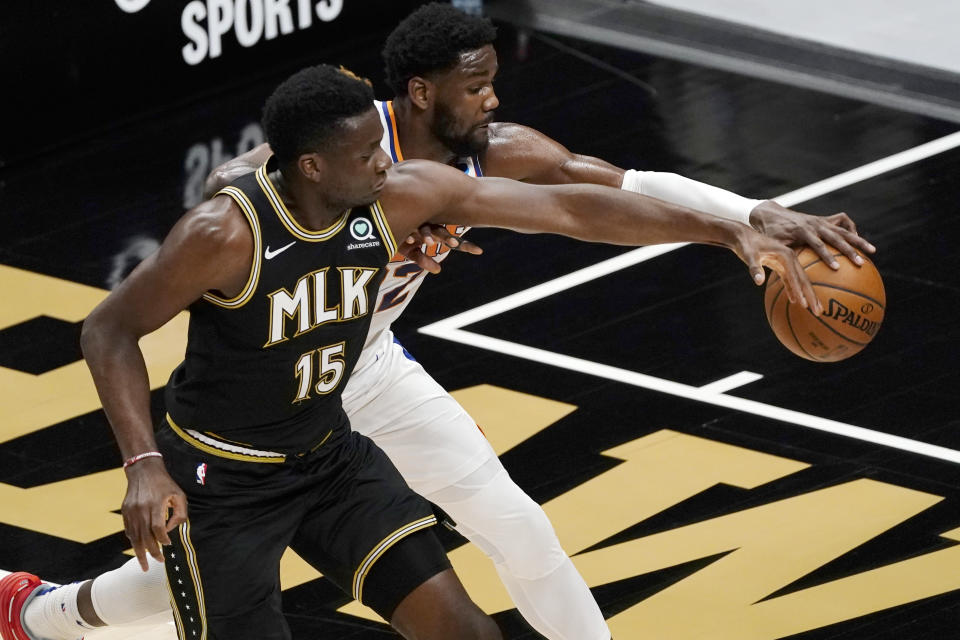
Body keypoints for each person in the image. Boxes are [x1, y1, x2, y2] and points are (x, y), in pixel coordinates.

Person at [0, 6, 872, 640]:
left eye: (494, 80)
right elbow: (223, 219)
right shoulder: (308, 166)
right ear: (418, 93)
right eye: (476, 85)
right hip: (251, 409)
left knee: (515, 523)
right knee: (179, 590)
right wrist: (147, 462)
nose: (493, 100)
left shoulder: (452, 173)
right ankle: (42, 614)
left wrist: (746, 221)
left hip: (362, 370)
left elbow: (602, 195)